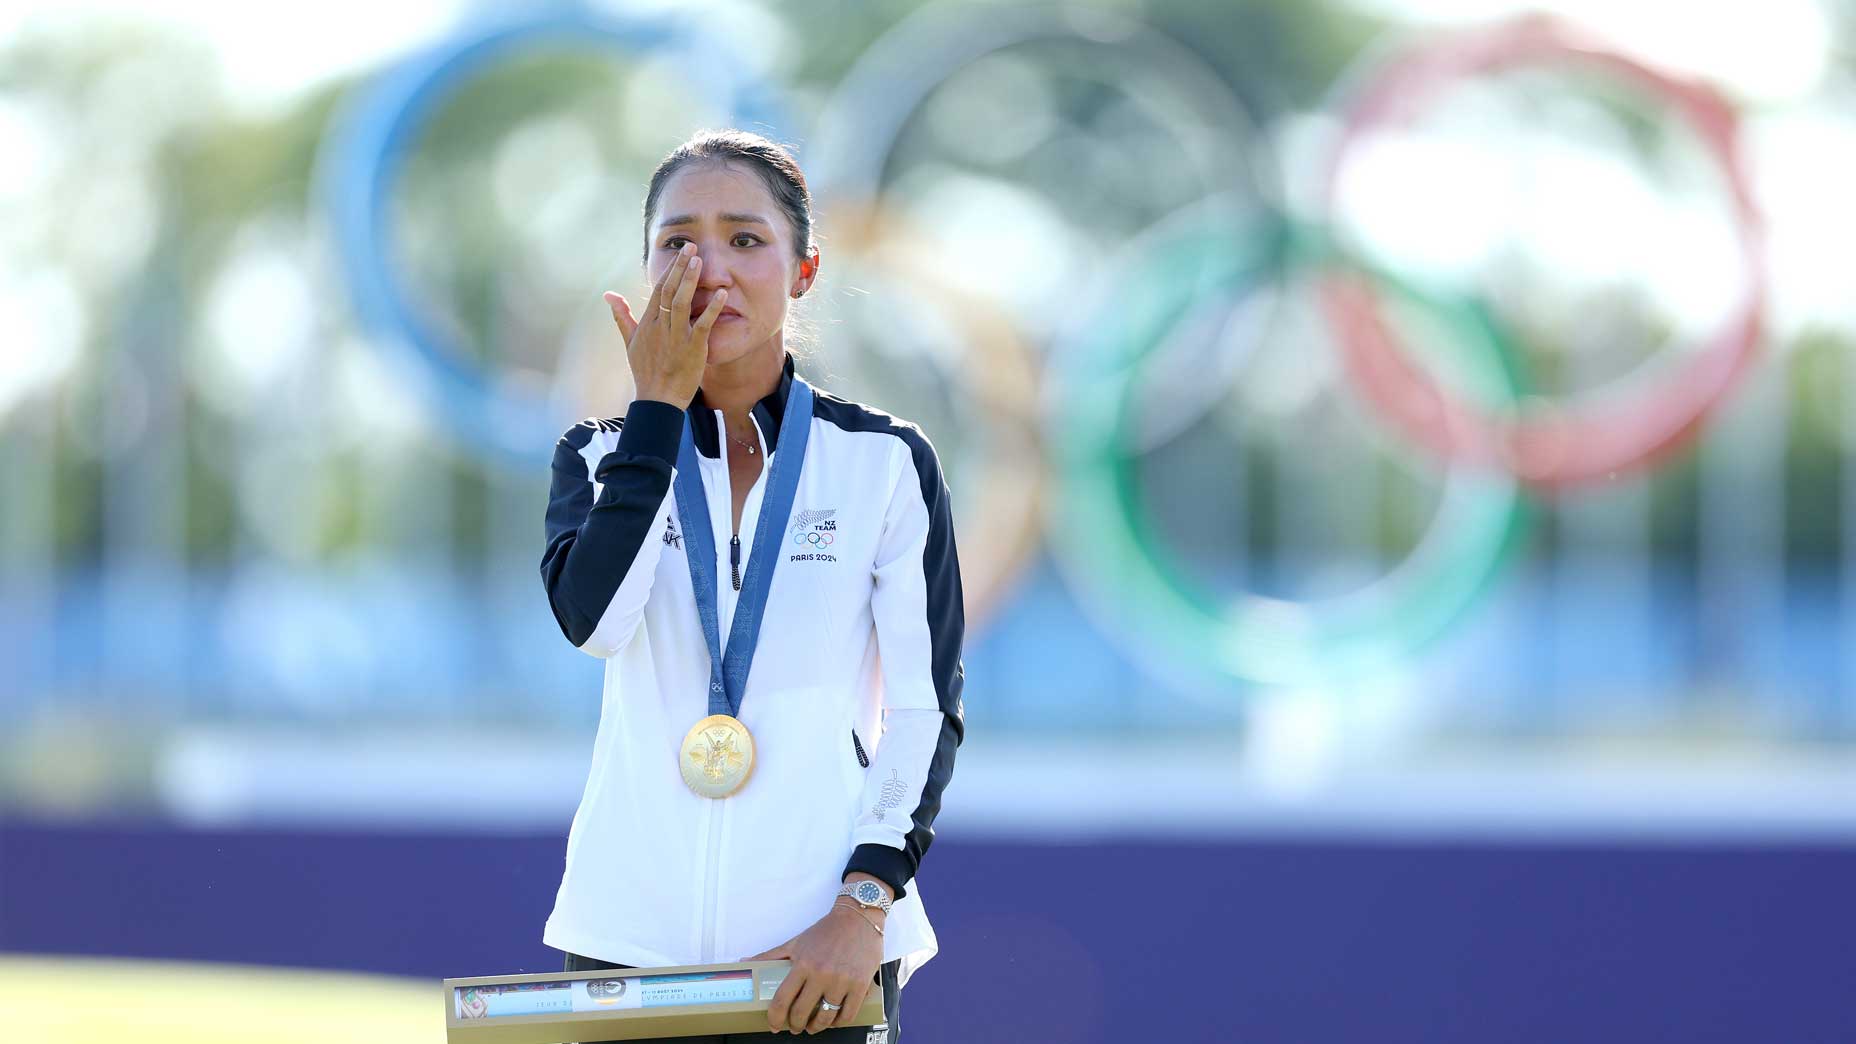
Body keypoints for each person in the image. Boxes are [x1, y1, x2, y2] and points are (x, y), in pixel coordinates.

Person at [539, 129, 965, 1043]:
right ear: (649, 269)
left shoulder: (885, 463)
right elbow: (595, 624)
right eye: (677, 241)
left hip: (817, 952)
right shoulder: (599, 453)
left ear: (803, 270)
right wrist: (656, 413)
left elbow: (925, 712)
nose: (710, 267)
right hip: (626, 946)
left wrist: (864, 906)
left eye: (745, 239)